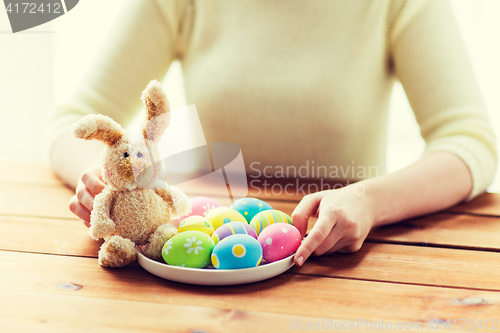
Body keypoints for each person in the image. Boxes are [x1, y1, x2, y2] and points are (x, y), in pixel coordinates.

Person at [45, 0, 497, 267]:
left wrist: (369, 200)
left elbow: (469, 140)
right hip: (207, 268)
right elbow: (73, 119)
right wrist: (105, 182)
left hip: (337, 265)